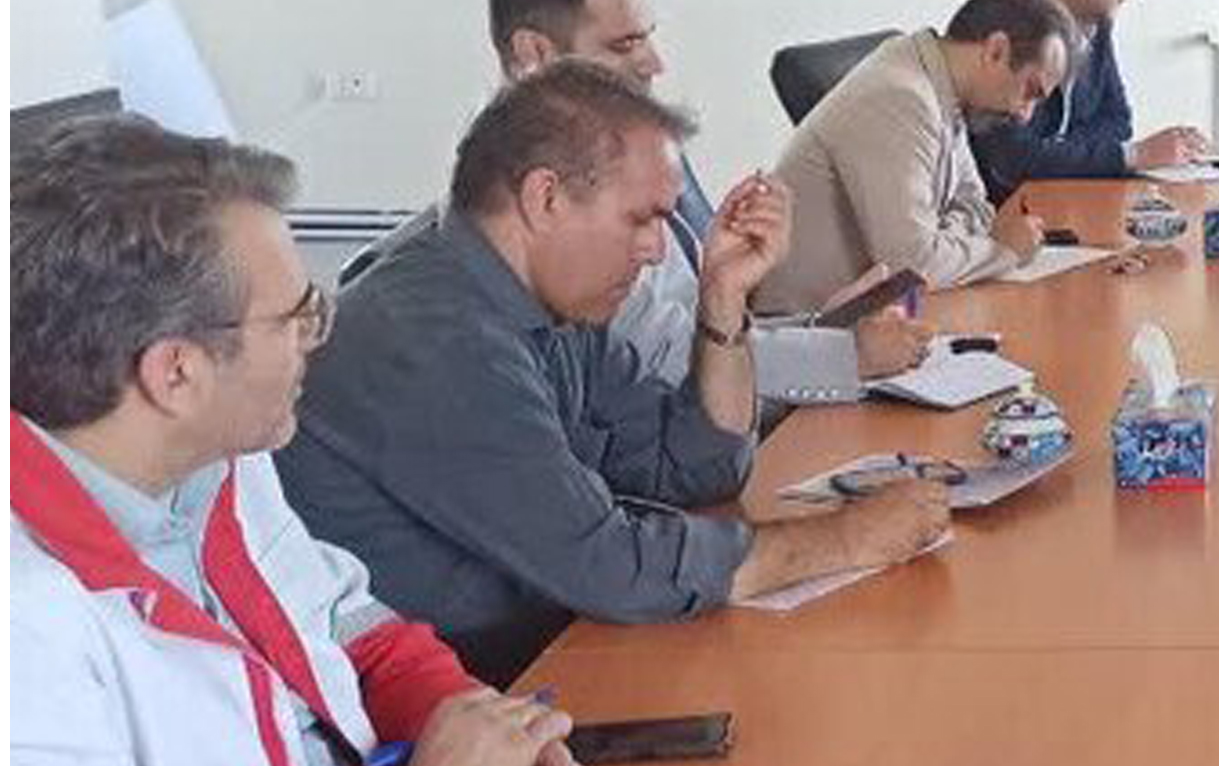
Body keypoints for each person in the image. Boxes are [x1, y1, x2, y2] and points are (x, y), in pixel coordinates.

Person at [11, 115, 585, 766]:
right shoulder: (25, 603)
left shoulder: (214, 461)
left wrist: (481, 742)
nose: (319, 338)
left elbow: (353, 633)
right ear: (175, 372)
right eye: (297, 316)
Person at [278, 61, 949, 685]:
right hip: (466, 694)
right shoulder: (435, 340)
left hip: (554, 646)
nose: (657, 251)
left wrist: (723, 299)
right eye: (641, 220)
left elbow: (697, 467)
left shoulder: (553, 309)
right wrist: (845, 538)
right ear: (545, 198)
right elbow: (607, 566)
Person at [484, 0, 933, 392]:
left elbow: (702, 328)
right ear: (535, 53)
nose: (654, 64)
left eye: (647, 37)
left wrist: (822, 329)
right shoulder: (539, 192)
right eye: (624, 45)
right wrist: (844, 356)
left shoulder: (621, 148)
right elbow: (664, 358)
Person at [760, 0, 1077, 313]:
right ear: (996, 51)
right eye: (1030, 90)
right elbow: (911, 264)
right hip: (805, 328)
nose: (1025, 115)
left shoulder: (942, 87)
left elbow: (976, 206)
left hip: (881, 311)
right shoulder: (900, 97)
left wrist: (944, 242)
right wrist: (1004, 252)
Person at [969, 0, 1213, 199]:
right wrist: (1134, 155)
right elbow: (1012, 160)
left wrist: (1061, 152)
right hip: (1003, 211)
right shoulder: (1005, 23)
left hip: (1066, 197)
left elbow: (1117, 121)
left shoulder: (1093, 16)